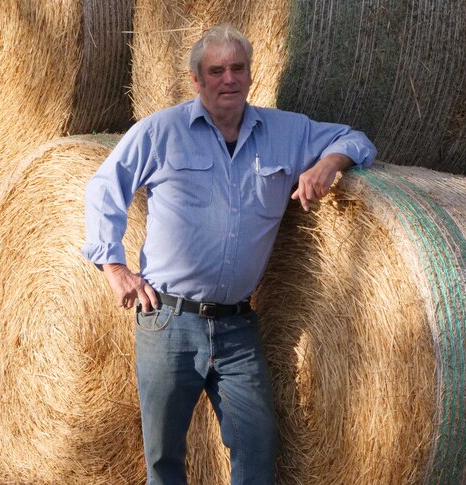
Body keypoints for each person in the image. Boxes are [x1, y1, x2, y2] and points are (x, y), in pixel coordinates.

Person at [83, 25, 376, 485]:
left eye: (237, 68)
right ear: (197, 80)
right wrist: (114, 266)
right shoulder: (162, 131)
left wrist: (327, 163)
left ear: (250, 75)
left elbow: (355, 139)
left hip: (238, 326)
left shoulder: (286, 132)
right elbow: (105, 188)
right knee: (164, 458)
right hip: (167, 320)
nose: (228, 79)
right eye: (216, 70)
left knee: (257, 450)